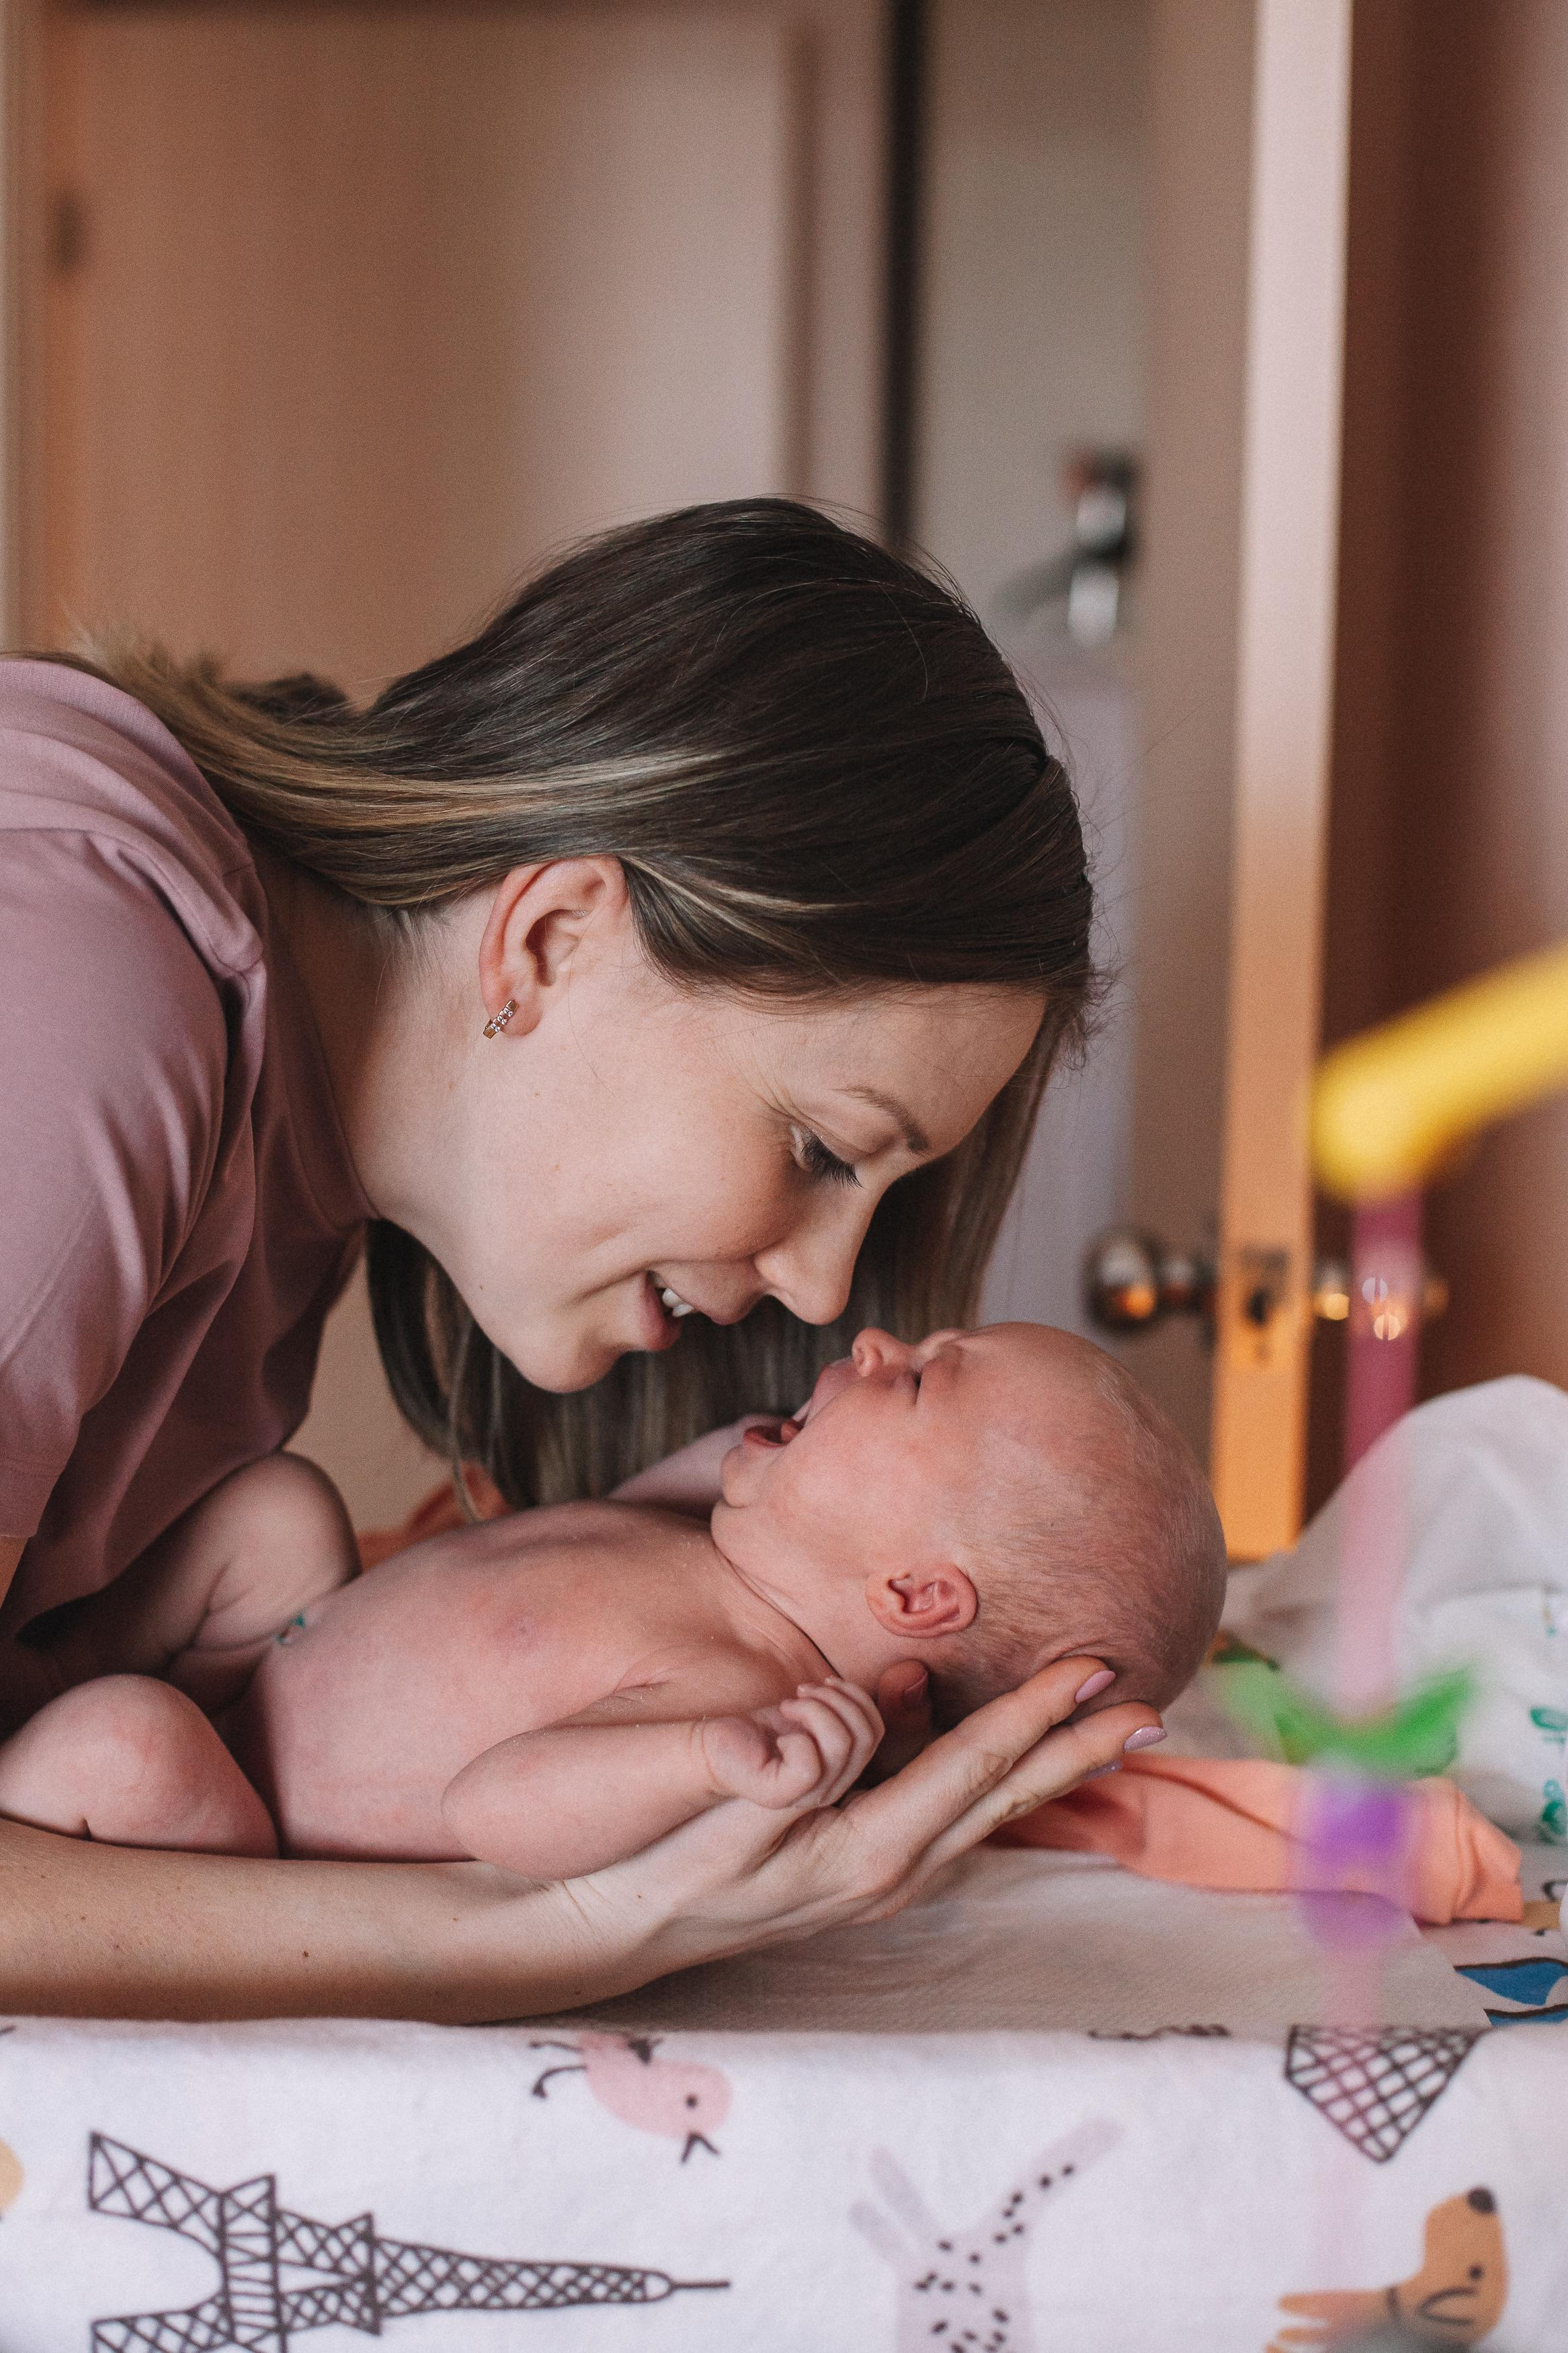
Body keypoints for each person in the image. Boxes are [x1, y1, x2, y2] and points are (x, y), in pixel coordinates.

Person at [0, 498, 1164, 2021]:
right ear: (552, 940)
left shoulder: (285, 1153)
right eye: (822, 1146)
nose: (826, 1296)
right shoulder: (90, 995)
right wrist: (531, 1936)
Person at [0, 1322, 1222, 1872]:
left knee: (128, 1743)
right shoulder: (721, 1534)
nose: (874, 1344)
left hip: (237, 1816)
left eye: (914, 1385)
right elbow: (678, 1514)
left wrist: (708, 1760)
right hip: (258, 1659)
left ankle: (41, 1762)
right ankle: (34, 1671)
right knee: (278, 1508)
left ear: (913, 1591)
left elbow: (499, 1810)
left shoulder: (738, 1693)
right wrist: (768, 1464)